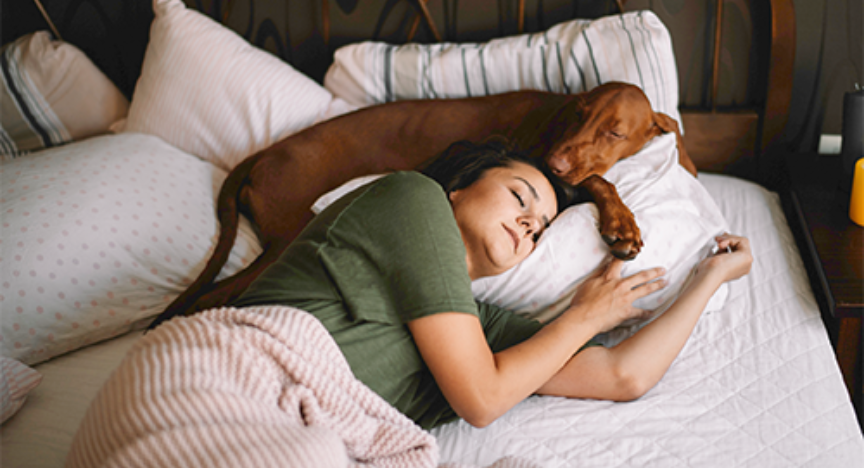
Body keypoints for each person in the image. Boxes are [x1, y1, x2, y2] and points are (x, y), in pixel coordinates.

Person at [231, 137, 753, 430]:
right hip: (235, 377)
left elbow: (624, 376)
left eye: (541, 229)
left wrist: (709, 277)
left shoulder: (479, 336)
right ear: (459, 189)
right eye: (520, 197)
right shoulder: (412, 199)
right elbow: (481, 399)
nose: (530, 224)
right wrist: (585, 317)